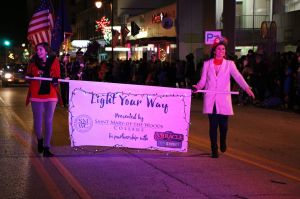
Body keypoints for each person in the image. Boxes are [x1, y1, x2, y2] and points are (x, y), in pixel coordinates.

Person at [193, 37, 255, 158]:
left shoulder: (229, 64)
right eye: (219, 49)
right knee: (213, 125)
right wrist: (197, 87)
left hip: (223, 99)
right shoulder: (207, 64)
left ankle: (223, 140)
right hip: (211, 99)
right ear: (214, 51)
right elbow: (203, 81)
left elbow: (238, 77)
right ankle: (214, 149)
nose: (222, 51)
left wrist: (247, 88)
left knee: (224, 125)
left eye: (223, 49)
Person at [26, 42, 61, 157]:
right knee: (37, 121)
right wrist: (29, 77)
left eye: (40, 49)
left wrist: (56, 79)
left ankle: (46, 147)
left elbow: (57, 74)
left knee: (48, 121)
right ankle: (40, 139)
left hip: (50, 94)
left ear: (46, 50)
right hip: (36, 94)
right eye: (37, 50)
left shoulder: (54, 60)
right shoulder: (32, 62)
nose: (38, 51)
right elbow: (28, 75)